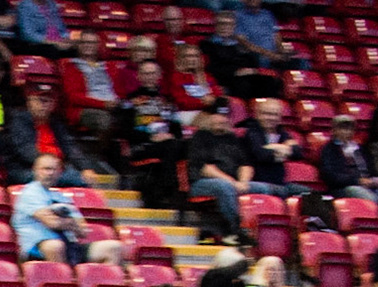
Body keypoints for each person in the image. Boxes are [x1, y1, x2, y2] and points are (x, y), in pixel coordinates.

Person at [12, 153, 125, 266]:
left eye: (54, 170)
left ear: (59, 172)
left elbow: (83, 231)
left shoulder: (61, 196)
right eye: (46, 169)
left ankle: (102, 281)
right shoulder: (30, 193)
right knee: (55, 246)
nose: (50, 173)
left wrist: (65, 222)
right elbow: (52, 223)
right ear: (36, 170)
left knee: (114, 247)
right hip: (37, 247)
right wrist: (71, 223)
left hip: (69, 245)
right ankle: (62, 280)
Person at [186, 99, 269, 244]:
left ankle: (260, 234)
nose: (222, 119)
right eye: (218, 115)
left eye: (225, 116)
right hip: (201, 184)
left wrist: (243, 182)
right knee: (224, 187)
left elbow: (246, 165)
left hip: (233, 183)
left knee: (263, 188)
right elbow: (206, 169)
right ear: (209, 117)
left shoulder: (232, 139)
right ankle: (235, 230)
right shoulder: (200, 137)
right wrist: (233, 182)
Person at [116, 60, 184, 210]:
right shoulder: (129, 101)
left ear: (159, 75)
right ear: (138, 76)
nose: (149, 77)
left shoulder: (168, 101)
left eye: (153, 73)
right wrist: (151, 137)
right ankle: (167, 189)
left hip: (168, 144)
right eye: (145, 73)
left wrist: (171, 136)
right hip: (141, 146)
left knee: (185, 145)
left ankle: (169, 191)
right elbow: (124, 131)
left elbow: (177, 130)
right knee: (172, 147)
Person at [8, 87, 96, 185]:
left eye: (49, 101)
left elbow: (70, 147)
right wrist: (53, 163)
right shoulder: (19, 121)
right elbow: (26, 151)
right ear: (30, 102)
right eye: (41, 100)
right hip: (26, 168)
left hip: (57, 168)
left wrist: (86, 167)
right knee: (73, 178)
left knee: (85, 179)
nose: (44, 105)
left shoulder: (56, 123)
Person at [60, 30, 120, 143]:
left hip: (113, 105)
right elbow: (73, 97)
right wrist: (103, 104)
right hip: (86, 109)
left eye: (92, 42)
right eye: (84, 42)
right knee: (104, 120)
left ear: (98, 45)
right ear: (79, 45)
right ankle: (98, 156)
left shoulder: (109, 67)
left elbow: (119, 90)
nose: (88, 45)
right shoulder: (71, 67)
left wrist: (117, 102)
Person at [319, 115, 378, 203]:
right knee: (370, 198)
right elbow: (330, 175)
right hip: (344, 187)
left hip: (369, 184)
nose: (347, 132)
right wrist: (357, 181)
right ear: (334, 130)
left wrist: (377, 178)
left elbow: (372, 167)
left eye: (350, 129)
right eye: (343, 129)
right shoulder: (329, 149)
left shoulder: (361, 148)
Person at [242, 98, 306, 198]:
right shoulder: (252, 133)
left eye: (275, 114)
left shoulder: (282, 133)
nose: (271, 118)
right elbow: (261, 155)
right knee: (282, 192)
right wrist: (285, 149)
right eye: (267, 114)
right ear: (257, 115)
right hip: (258, 182)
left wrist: (272, 148)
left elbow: (298, 153)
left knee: (310, 194)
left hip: (280, 183)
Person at [233, 0, 306, 73]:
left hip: (274, 53)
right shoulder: (238, 16)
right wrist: (270, 55)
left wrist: (281, 50)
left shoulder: (267, 14)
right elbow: (245, 43)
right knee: (263, 60)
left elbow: (276, 35)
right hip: (256, 54)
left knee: (302, 61)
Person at [167, 46, 218, 126]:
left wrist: (213, 100)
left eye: (196, 56)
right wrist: (203, 102)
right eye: (189, 56)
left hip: (209, 111)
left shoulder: (208, 77)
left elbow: (217, 94)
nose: (193, 59)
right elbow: (182, 102)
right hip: (186, 113)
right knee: (212, 121)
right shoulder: (175, 77)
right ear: (181, 59)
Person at [10, 0, 74, 57]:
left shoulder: (52, 3)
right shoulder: (24, 6)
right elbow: (27, 34)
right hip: (36, 44)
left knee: (77, 49)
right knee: (53, 51)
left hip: (57, 42)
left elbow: (62, 28)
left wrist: (66, 38)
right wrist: (54, 42)